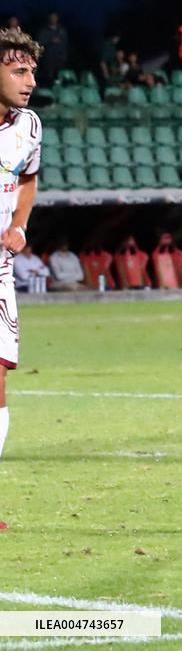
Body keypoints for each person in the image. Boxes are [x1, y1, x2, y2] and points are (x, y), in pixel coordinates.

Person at [0, 28, 43, 465]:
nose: (30, 81)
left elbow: (28, 178)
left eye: (32, 72)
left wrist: (20, 225)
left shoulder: (28, 125)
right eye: (18, 71)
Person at [35, 13, 67, 88]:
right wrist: (50, 41)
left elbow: (65, 43)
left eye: (55, 17)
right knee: (49, 77)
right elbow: (39, 43)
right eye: (52, 17)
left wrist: (64, 56)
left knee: (59, 77)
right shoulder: (44, 31)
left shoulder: (61, 30)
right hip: (48, 59)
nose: (54, 19)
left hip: (60, 58)